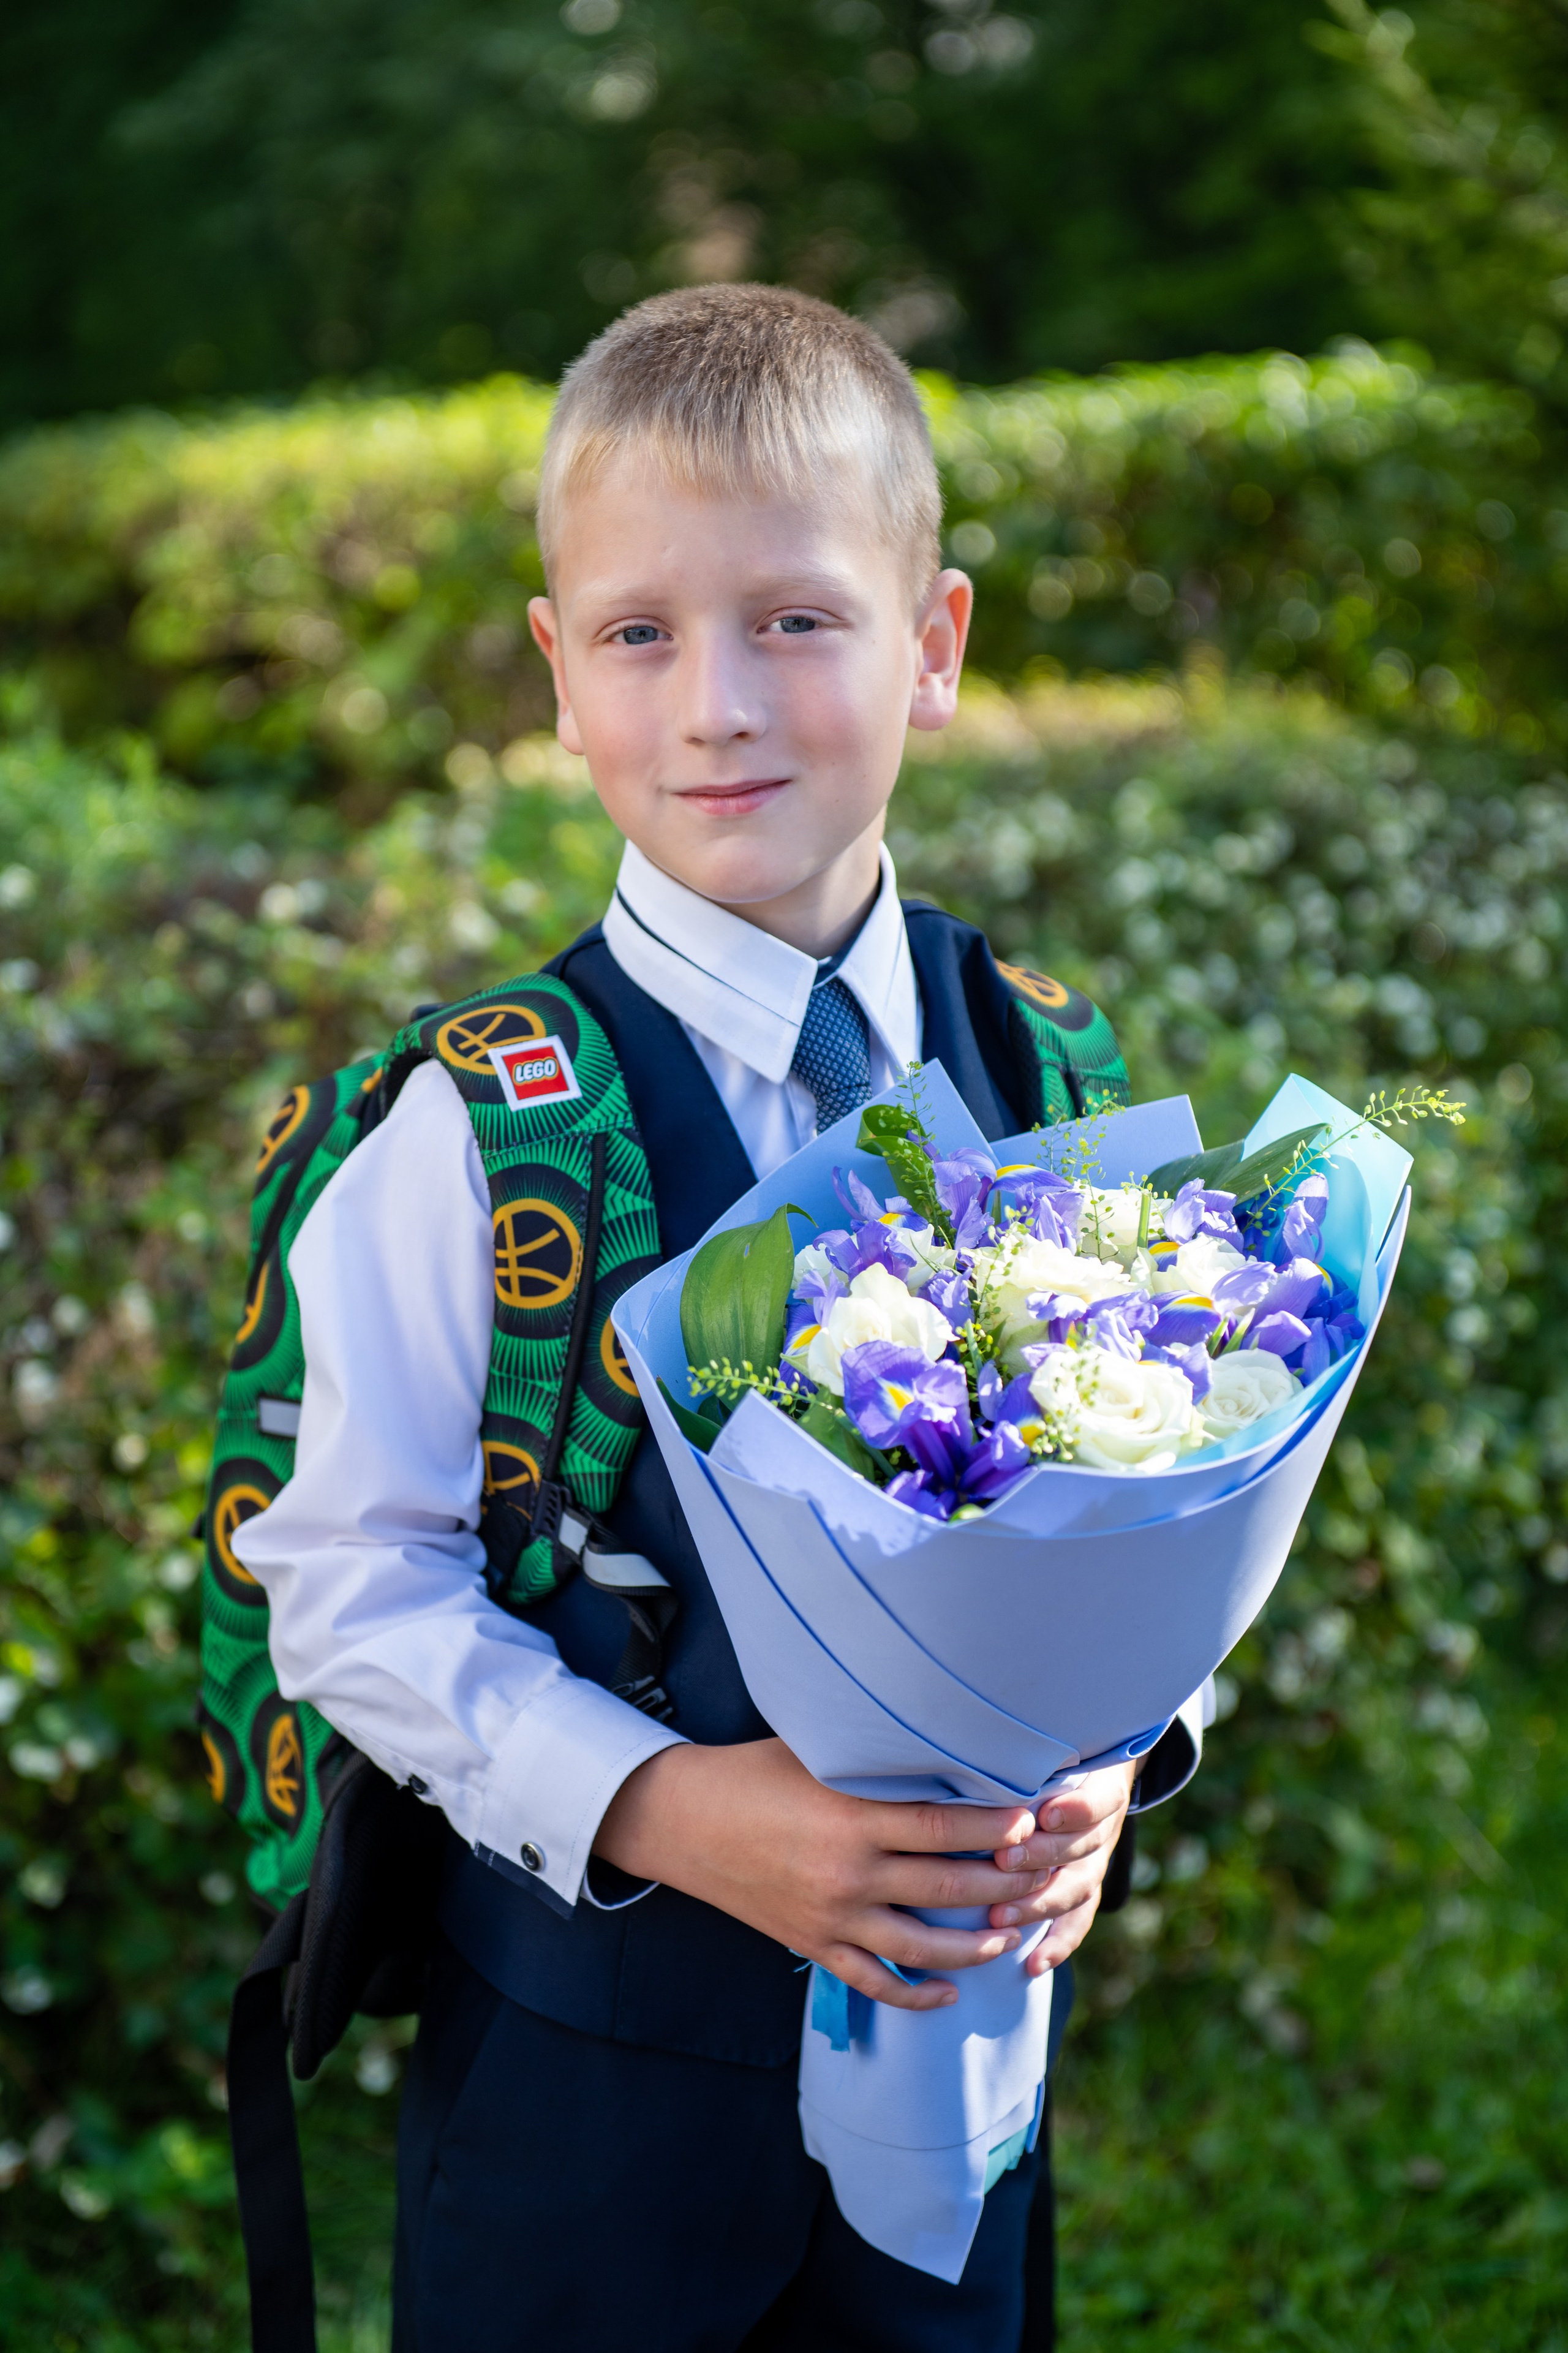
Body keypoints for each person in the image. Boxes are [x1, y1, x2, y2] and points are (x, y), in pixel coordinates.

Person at [234, 283, 1205, 2352]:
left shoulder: (1041, 1063)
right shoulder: (480, 1129)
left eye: (796, 619)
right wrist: (673, 1810)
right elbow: (348, 1584)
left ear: (933, 642)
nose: (716, 707)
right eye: (638, 634)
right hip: (585, 2117)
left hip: (963, 2069)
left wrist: (1131, 1751)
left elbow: (1176, 1467)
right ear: (555, 670)